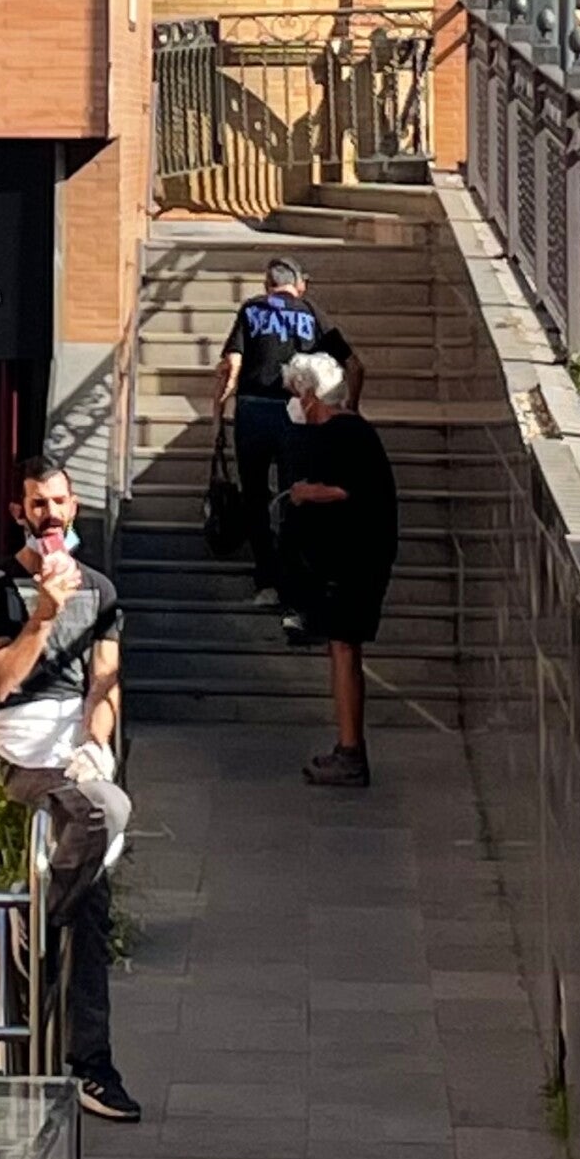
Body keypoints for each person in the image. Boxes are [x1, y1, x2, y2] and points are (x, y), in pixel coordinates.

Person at [0, 457, 143, 1122]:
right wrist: (42, 615)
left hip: (76, 761)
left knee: (91, 900)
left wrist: (95, 744)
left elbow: (105, 683)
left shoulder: (100, 589)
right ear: (20, 511)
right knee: (110, 815)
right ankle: (89, 1059)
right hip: (22, 759)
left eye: (59, 502)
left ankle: (89, 1059)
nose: (50, 514)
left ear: (74, 508)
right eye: (38, 503)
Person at [276, 350, 399, 789]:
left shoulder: (346, 432)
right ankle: (348, 747)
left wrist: (307, 492)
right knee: (341, 647)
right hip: (349, 560)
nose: (294, 403)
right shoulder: (345, 432)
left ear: (311, 395)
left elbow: (348, 489)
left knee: (345, 647)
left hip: (356, 562)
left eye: (296, 393)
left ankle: (350, 752)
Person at [212, 261, 362, 605]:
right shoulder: (311, 312)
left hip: (252, 411)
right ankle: (296, 579)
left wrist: (218, 420)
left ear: (267, 284)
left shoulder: (251, 309)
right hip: (296, 413)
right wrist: (350, 408)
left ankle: (266, 580)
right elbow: (355, 366)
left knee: (254, 495)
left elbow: (231, 365)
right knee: (296, 494)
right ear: (300, 284)